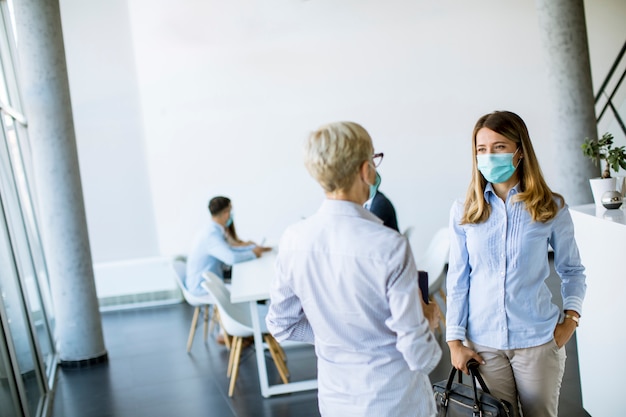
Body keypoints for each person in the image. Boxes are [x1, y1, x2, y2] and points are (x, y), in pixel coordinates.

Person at [266, 121, 442, 417]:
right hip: (395, 401)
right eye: (374, 160)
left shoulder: (293, 239)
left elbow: (282, 324)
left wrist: (336, 335)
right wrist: (428, 320)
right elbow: (420, 357)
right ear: (365, 170)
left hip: (336, 402)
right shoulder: (389, 245)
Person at [446, 110, 586, 417]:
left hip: (537, 342)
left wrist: (571, 320)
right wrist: (455, 341)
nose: (489, 156)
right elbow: (458, 279)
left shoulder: (551, 206)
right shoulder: (464, 210)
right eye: (481, 149)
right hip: (484, 345)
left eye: (499, 147)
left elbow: (572, 270)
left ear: (519, 151)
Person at [185, 196, 270, 297]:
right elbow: (231, 257)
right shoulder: (211, 235)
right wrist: (253, 253)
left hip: (208, 281)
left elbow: (230, 249)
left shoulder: (213, 230)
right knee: (246, 289)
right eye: (230, 210)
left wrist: (252, 249)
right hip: (202, 287)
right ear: (226, 213)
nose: (231, 214)